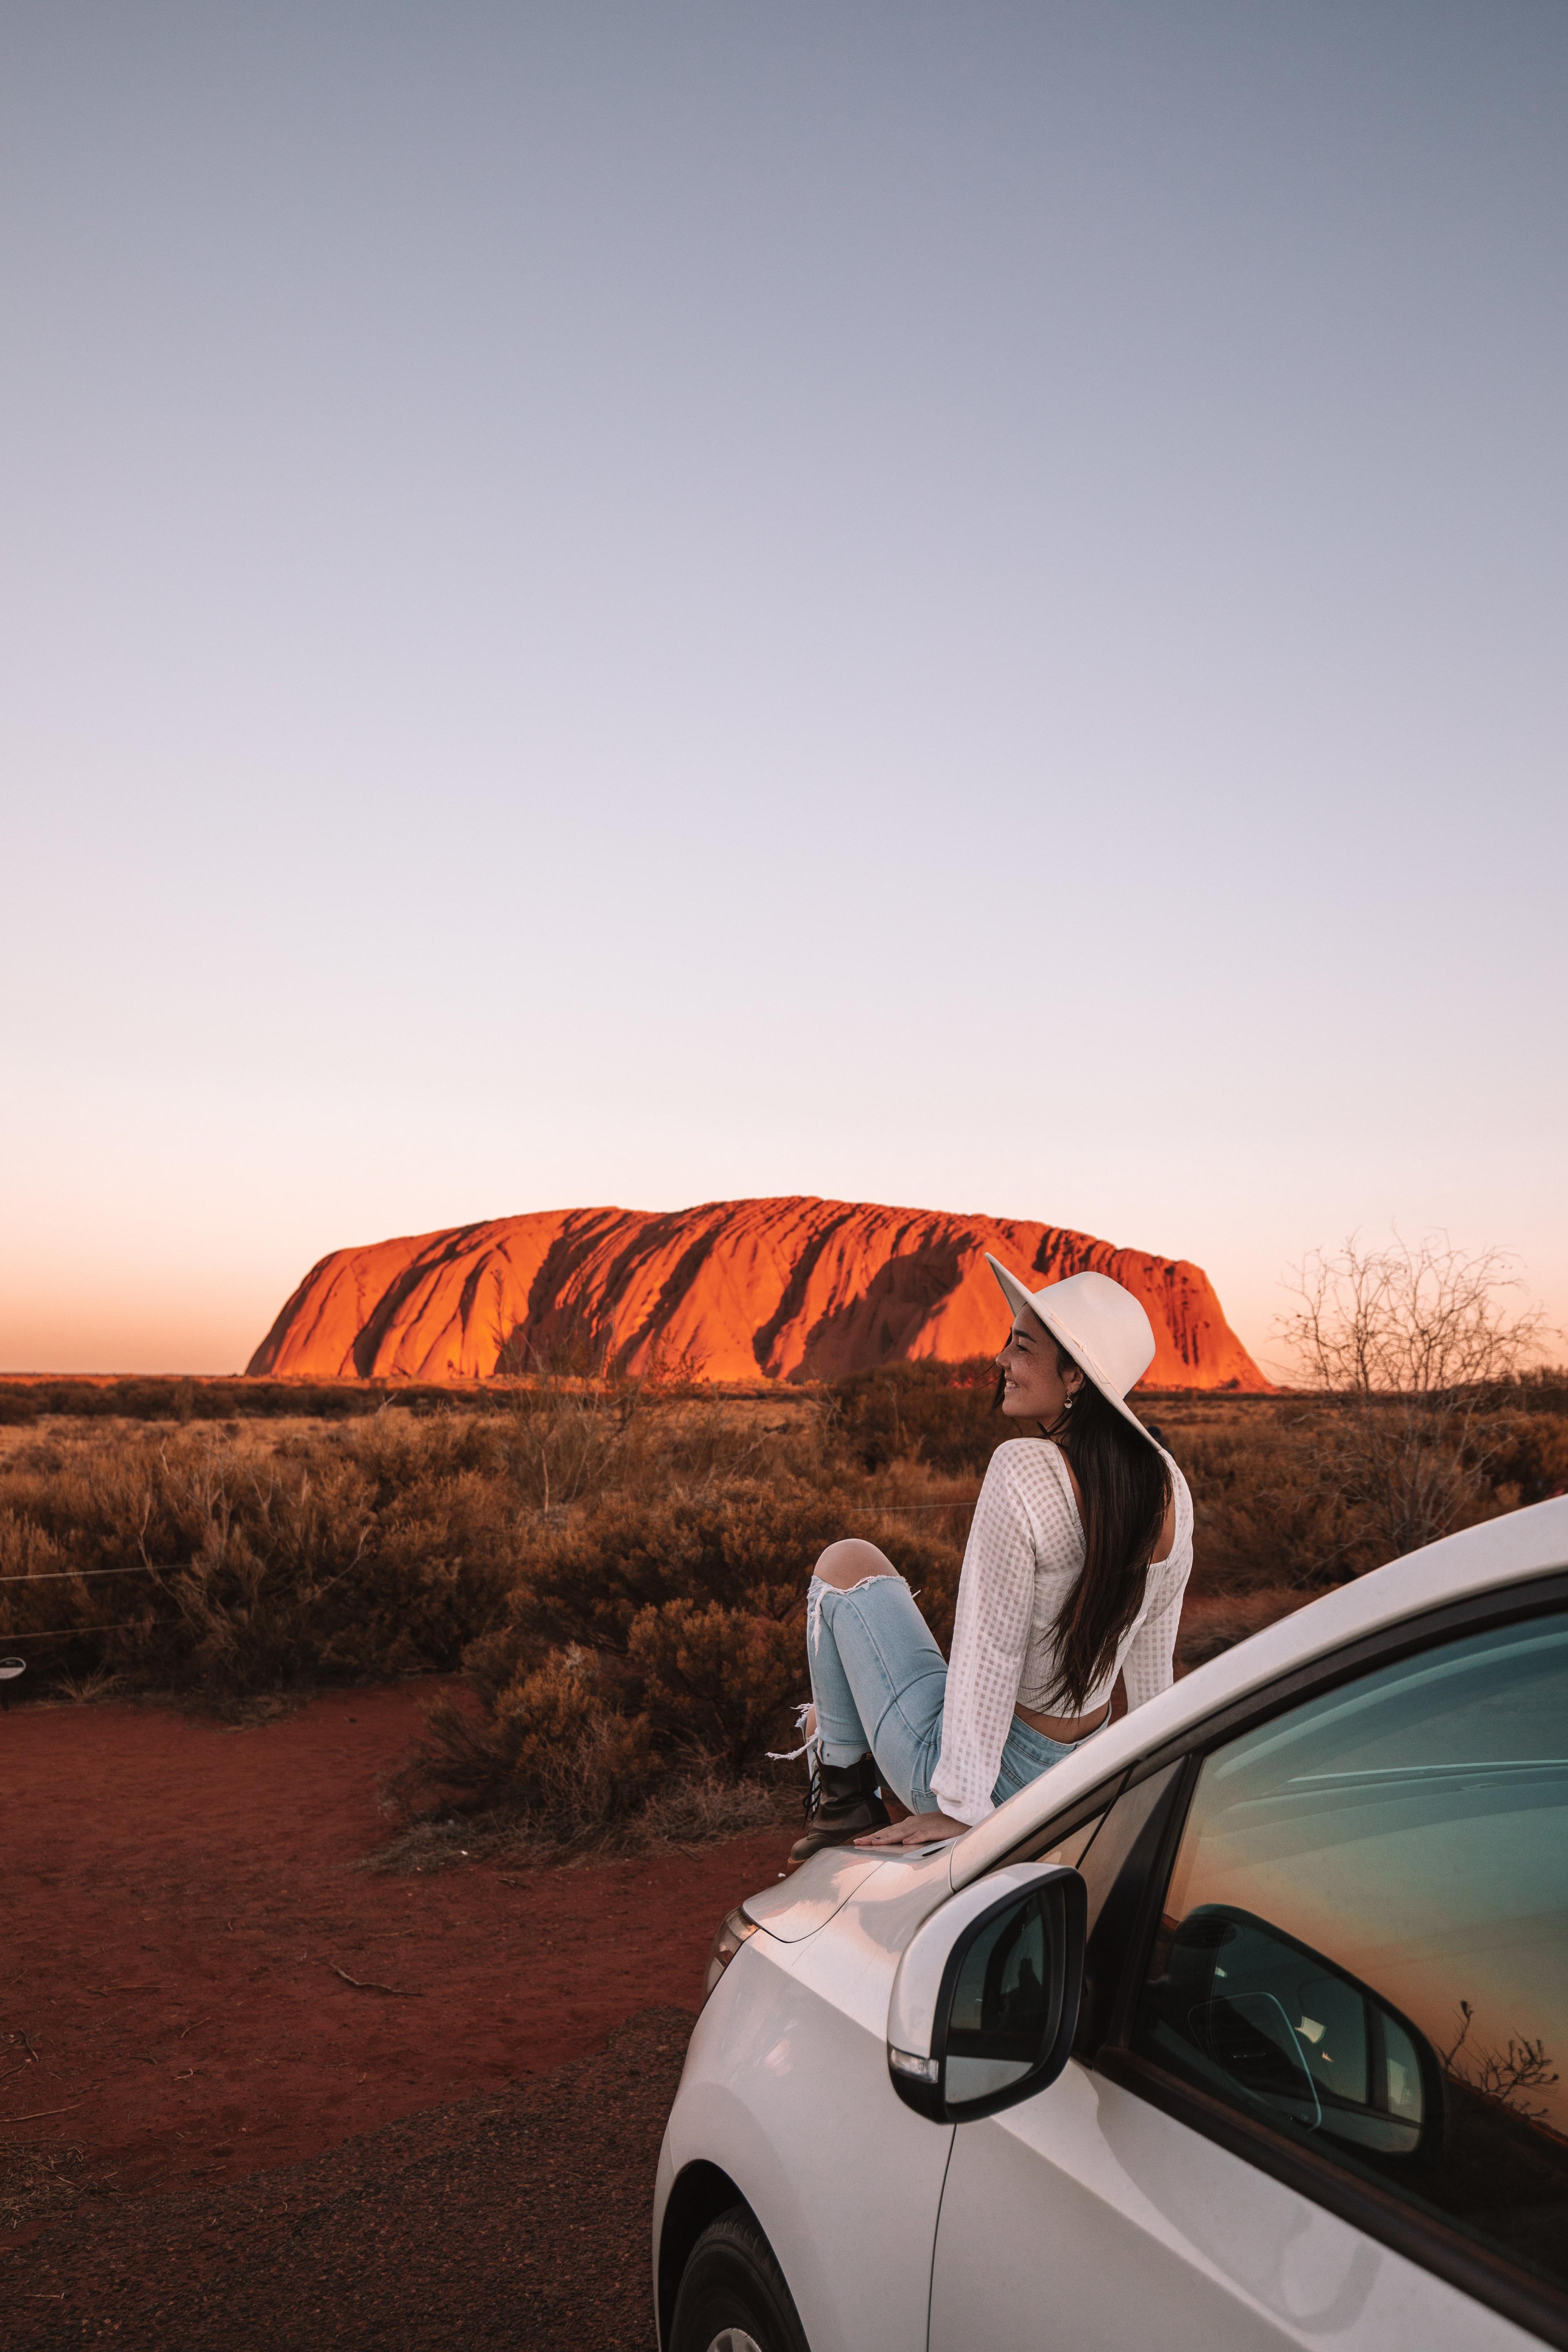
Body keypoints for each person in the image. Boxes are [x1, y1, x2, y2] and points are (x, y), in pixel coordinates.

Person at [787, 1257, 1193, 1868]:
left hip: (991, 1782)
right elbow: (1151, 1663)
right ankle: (842, 1777)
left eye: (1022, 1347)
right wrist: (1152, 1796)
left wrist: (960, 1808)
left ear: (1076, 1377)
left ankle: (843, 1803)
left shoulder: (1023, 1468)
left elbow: (992, 1647)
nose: (1001, 1359)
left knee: (845, 1562)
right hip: (1079, 1776)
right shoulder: (1169, 1488)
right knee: (831, 1708)